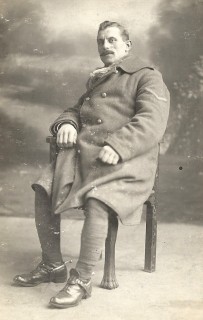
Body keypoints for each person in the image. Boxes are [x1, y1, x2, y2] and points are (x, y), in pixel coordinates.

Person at [13, 20, 170, 308]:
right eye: (101, 41)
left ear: (127, 45)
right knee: (43, 187)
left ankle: (82, 279)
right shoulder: (99, 78)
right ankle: (53, 265)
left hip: (126, 162)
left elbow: (152, 121)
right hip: (87, 157)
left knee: (98, 199)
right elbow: (76, 108)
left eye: (112, 40)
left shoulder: (147, 77)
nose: (105, 46)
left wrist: (118, 146)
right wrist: (68, 123)